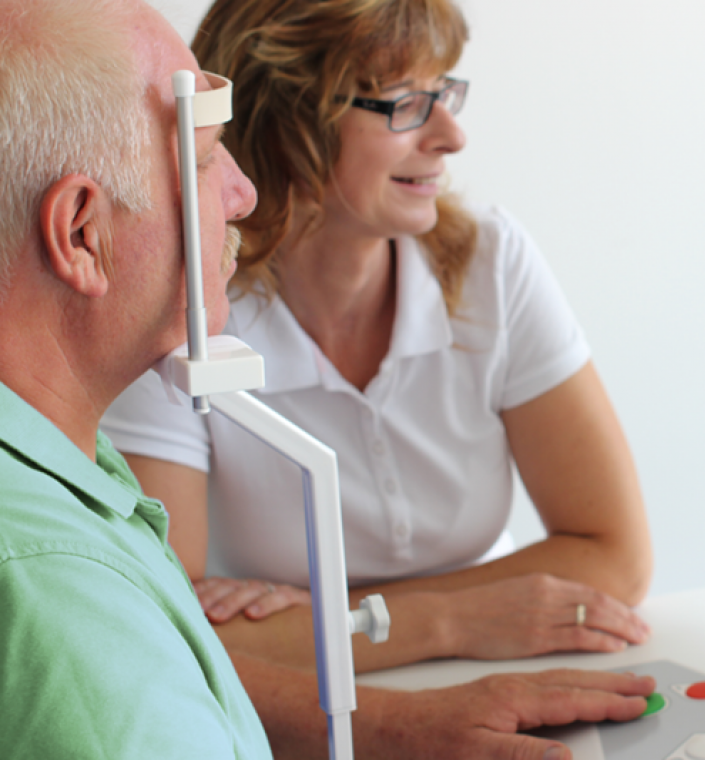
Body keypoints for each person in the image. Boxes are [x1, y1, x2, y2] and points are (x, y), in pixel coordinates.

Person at [0, 1, 654, 756]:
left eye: (444, 92)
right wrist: (454, 618)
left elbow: (614, 557)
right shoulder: (178, 313)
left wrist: (327, 618)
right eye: (404, 102)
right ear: (289, 123)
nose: (451, 135)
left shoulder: (490, 263)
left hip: (479, 674)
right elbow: (185, 630)